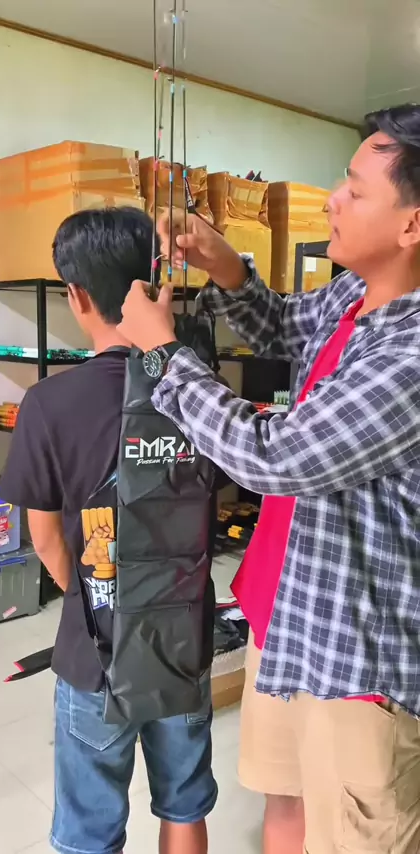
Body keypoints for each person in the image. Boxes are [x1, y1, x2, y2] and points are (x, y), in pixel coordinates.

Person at [118, 103, 420, 854]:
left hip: (357, 659)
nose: (335, 199)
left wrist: (164, 357)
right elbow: (285, 325)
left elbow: (272, 457)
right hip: (287, 608)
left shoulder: (410, 356)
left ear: (412, 224)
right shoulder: (355, 294)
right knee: (283, 802)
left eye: (355, 189)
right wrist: (225, 264)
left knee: (351, 831)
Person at [0, 207, 219, 854]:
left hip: (95, 650)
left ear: (77, 296)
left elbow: (45, 540)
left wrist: (94, 593)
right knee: (185, 804)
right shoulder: (200, 391)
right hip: (182, 639)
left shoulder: (48, 403)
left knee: (88, 832)